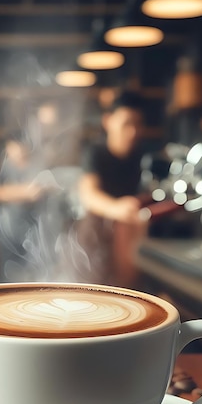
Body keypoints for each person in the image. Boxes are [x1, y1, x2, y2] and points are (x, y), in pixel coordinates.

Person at [77, 91, 147, 288]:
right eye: (126, 124)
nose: (133, 132)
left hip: (131, 237)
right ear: (108, 121)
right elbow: (89, 194)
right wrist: (117, 208)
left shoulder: (142, 154)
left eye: (137, 124)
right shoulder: (95, 152)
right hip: (97, 235)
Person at [0, 131, 51, 281]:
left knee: (37, 272)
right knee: (8, 274)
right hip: (7, 229)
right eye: (12, 147)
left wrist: (14, 192)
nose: (16, 151)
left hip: (35, 229)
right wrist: (24, 191)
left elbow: (40, 191)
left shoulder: (39, 165)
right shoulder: (5, 166)